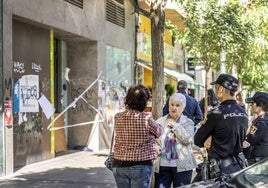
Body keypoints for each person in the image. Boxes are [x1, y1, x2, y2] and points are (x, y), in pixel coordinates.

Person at [194, 74, 248, 179]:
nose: (215, 90)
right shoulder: (243, 113)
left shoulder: (216, 113)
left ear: (220, 89)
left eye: (216, 87)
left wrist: (210, 138)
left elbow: (198, 140)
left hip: (219, 171)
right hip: (238, 167)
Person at [112, 84, 163, 188]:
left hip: (119, 164)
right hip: (141, 165)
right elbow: (158, 132)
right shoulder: (146, 118)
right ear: (144, 101)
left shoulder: (118, 117)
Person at [154, 93, 197, 187]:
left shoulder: (188, 122)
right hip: (162, 165)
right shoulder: (160, 121)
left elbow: (187, 139)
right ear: (168, 106)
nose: (174, 108)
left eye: (178, 105)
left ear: (183, 108)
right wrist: (156, 146)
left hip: (182, 166)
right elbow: (153, 139)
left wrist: (175, 126)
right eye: (172, 105)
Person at [243, 91, 268, 165]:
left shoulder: (260, 124)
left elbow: (247, 143)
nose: (251, 105)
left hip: (258, 166)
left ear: (260, 106)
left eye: (253, 103)